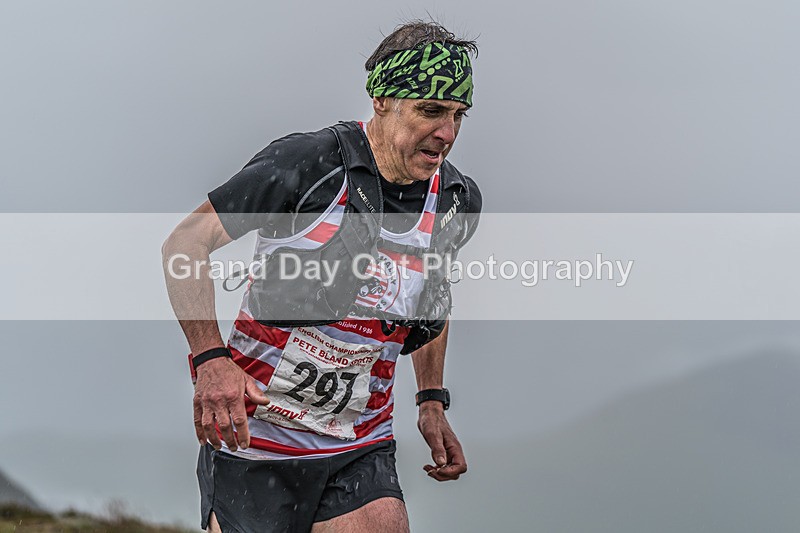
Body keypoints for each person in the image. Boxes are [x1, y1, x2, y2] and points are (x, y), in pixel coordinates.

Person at [162, 20, 482, 533]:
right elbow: (185, 243)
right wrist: (211, 360)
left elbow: (431, 303)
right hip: (255, 442)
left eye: (457, 115)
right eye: (429, 111)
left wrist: (431, 400)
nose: (446, 133)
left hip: (359, 445)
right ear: (381, 99)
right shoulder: (307, 164)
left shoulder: (455, 200)